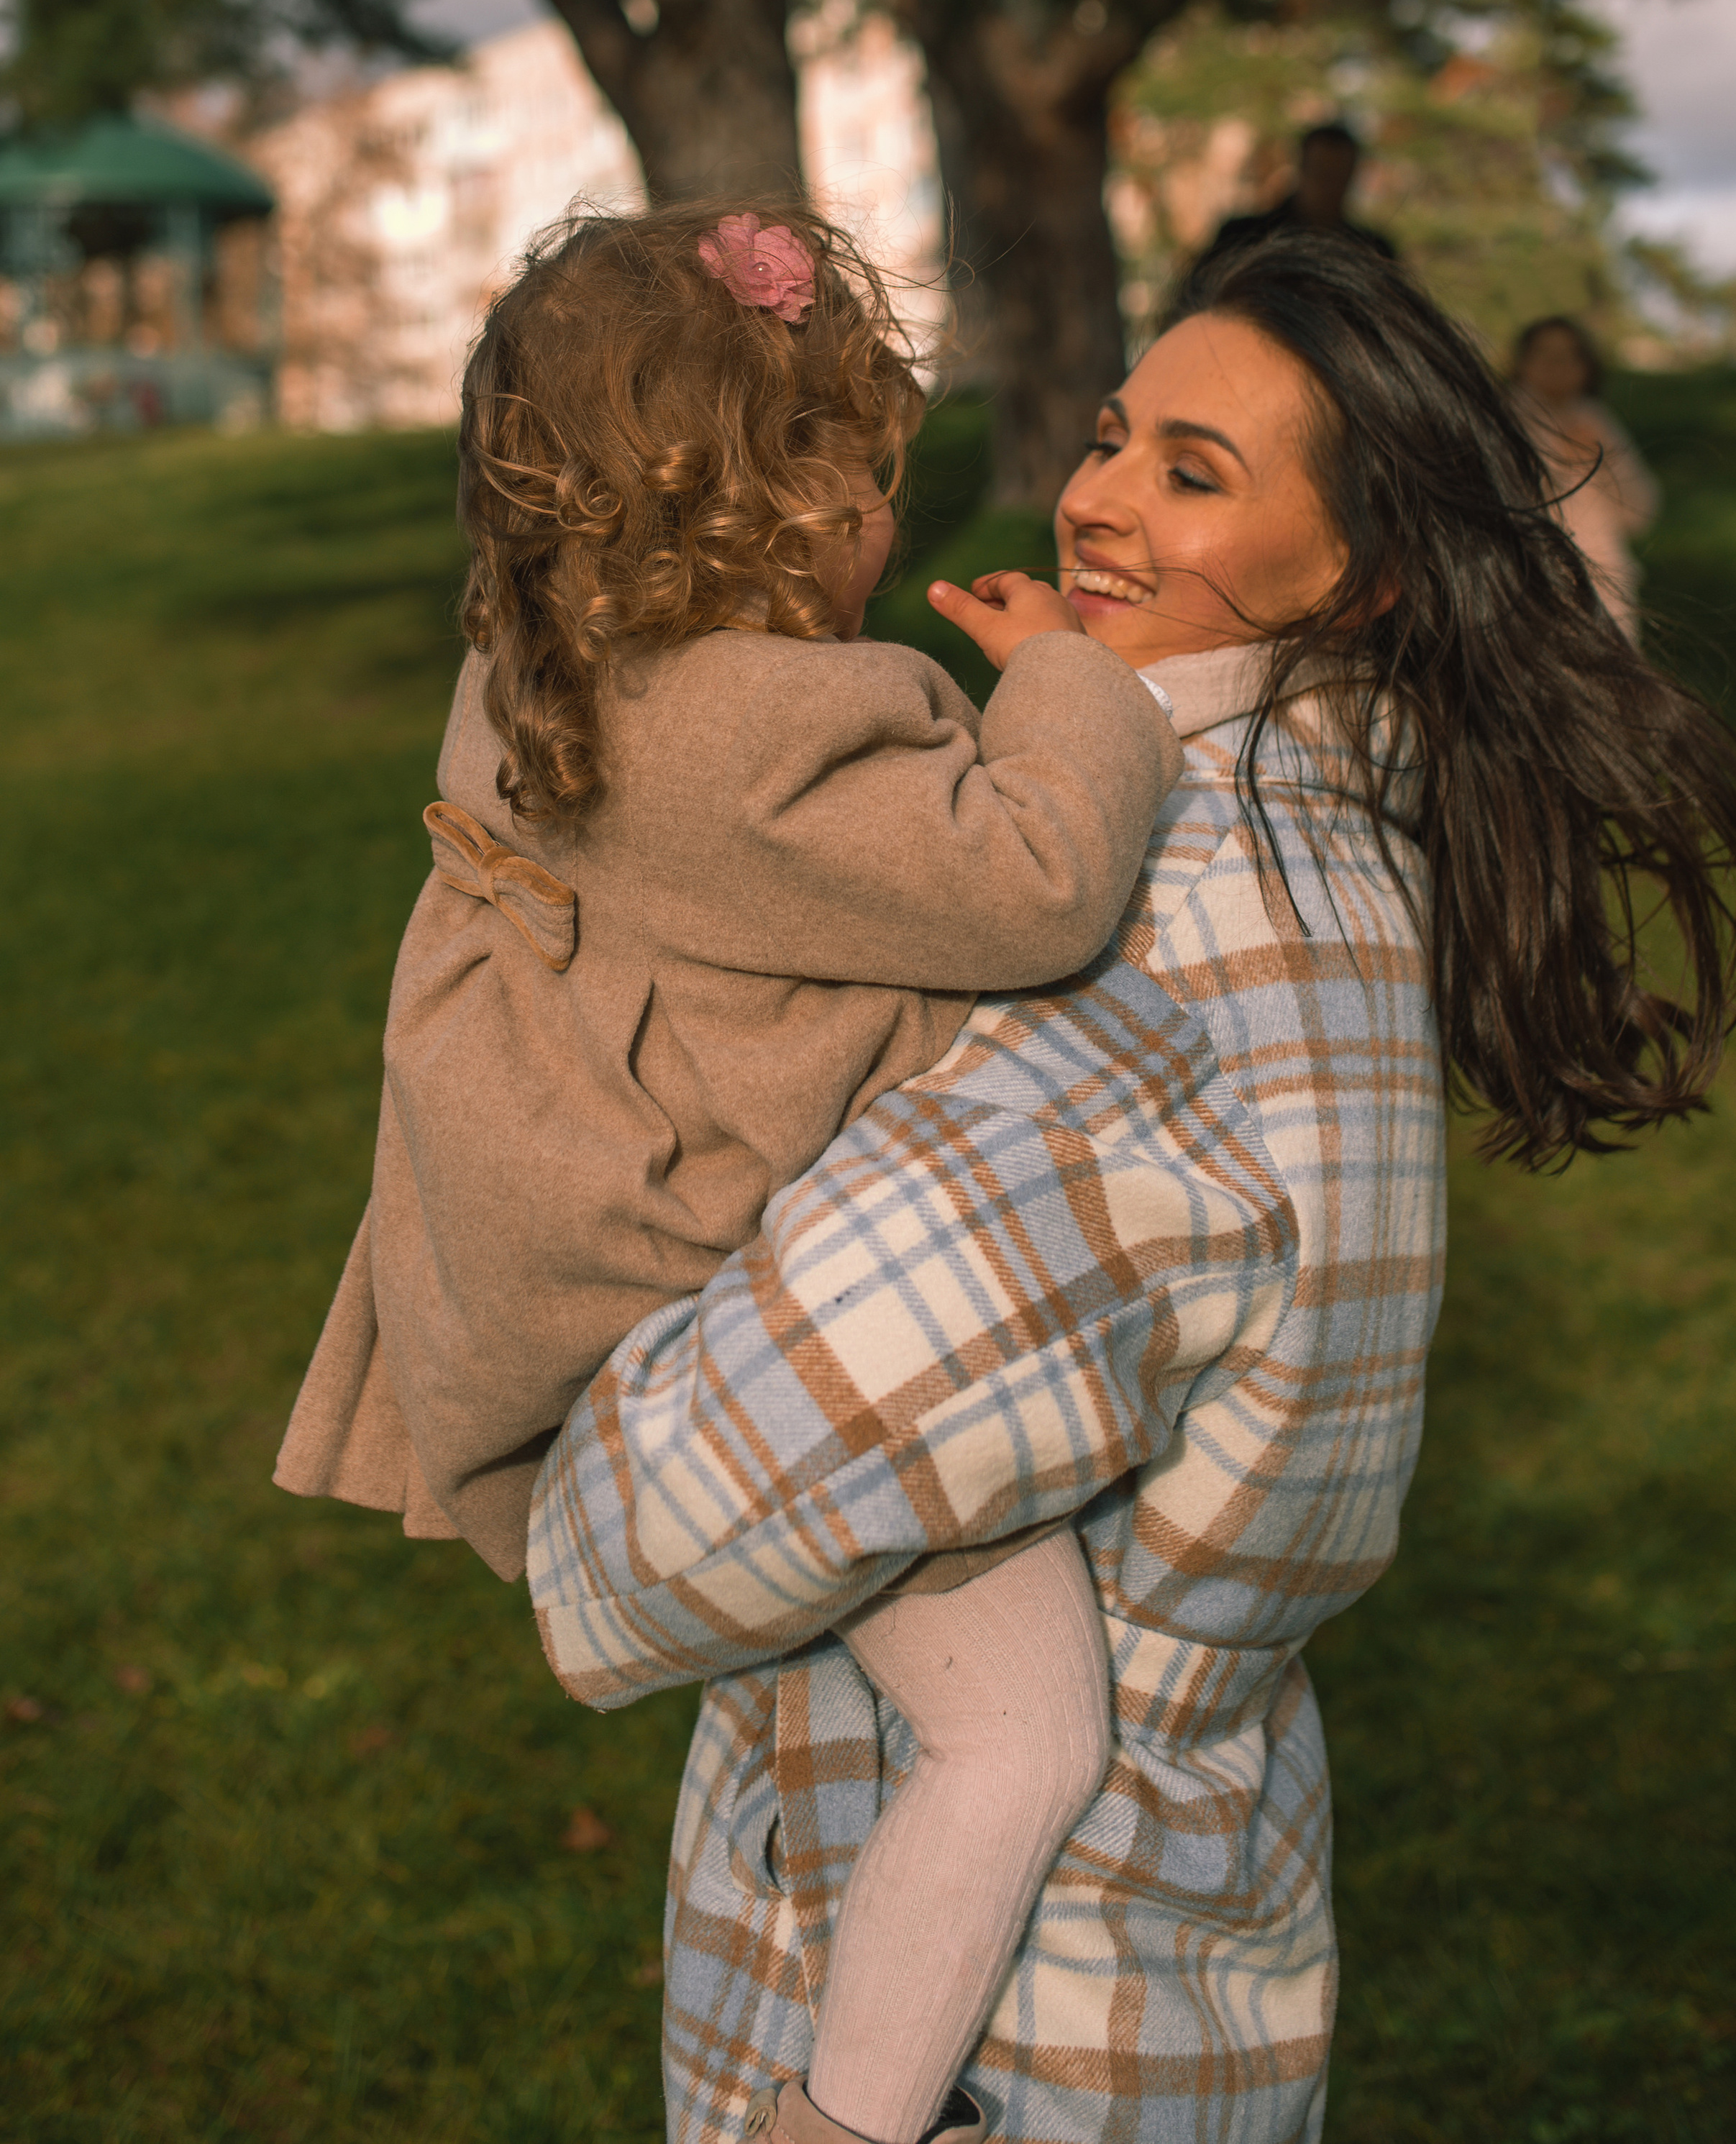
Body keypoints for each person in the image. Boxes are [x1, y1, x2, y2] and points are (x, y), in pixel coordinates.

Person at [526, 232, 1736, 2144]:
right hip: (1186, 1965)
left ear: (1357, 573)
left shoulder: (1154, 984)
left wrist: (552, 1399)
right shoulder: (1312, 867)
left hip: (998, 2042)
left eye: (1194, 474)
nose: (1098, 499)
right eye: (1116, 434)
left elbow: (652, 1529)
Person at [275, 199, 1189, 2144]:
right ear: (766, 505)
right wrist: (1077, 687)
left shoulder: (547, 661)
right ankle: (845, 2122)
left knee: (879, 1716)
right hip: (682, 1312)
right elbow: (1031, 880)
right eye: (864, 481)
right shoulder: (745, 736)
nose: (888, 525)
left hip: (559, 1251)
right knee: (1025, 1732)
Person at [1511, 314, 1660, 641]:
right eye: (1544, 353)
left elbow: (1640, 513)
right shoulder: (1505, 421)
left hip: (1606, 579)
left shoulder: (1596, 420)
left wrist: (1601, 463)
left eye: (1569, 355)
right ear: (1522, 361)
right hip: (1533, 581)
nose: (1556, 364)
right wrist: (1558, 461)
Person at [1182, 119, 1397, 299]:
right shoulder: (1243, 237)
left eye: (1339, 175)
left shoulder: (1372, 250)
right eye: (1322, 172)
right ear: (1303, 169)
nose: (1330, 185)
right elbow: (1199, 298)